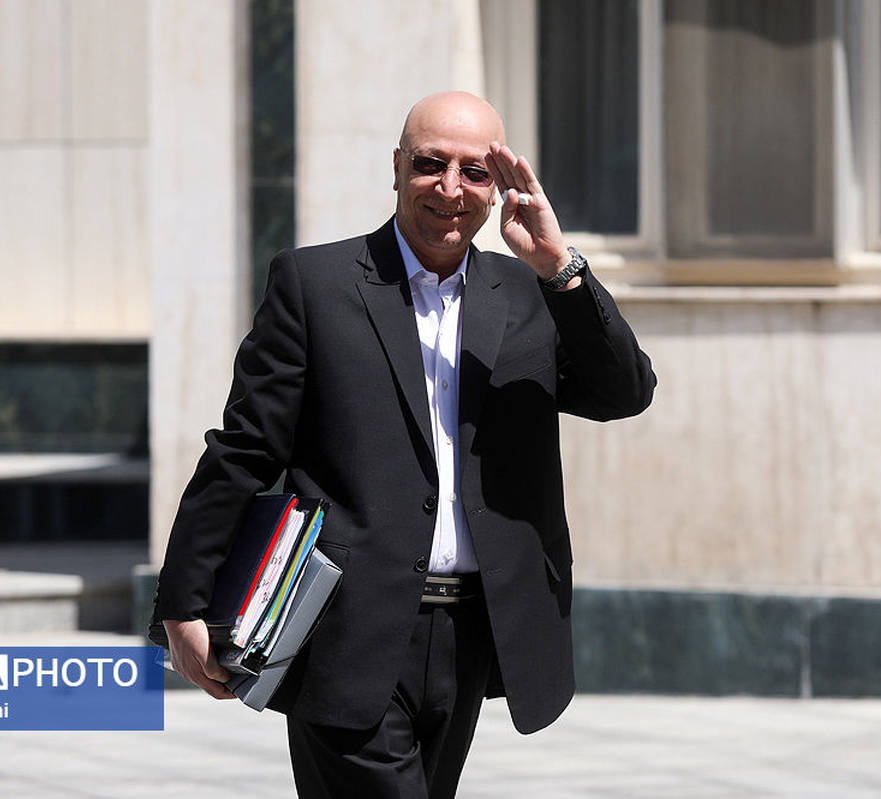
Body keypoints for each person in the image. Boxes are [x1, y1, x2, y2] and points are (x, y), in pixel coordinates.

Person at [151, 91, 656, 798]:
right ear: (396, 167)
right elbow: (244, 450)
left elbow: (623, 392)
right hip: (343, 630)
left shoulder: (528, 294)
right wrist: (182, 602)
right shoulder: (315, 285)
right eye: (429, 164)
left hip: (474, 630)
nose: (450, 189)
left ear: (498, 187)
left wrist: (559, 267)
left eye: (474, 172)